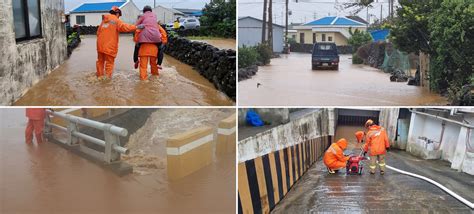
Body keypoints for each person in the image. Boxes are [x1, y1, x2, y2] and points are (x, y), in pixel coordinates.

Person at [96, 6, 138, 80]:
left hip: (100, 46)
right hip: (110, 46)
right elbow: (125, 27)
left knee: (100, 61)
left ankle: (100, 76)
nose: (119, 17)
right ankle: (107, 80)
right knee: (109, 63)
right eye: (119, 15)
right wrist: (136, 27)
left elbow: (98, 33)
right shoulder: (116, 20)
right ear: (117, 13)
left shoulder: (103, 21)